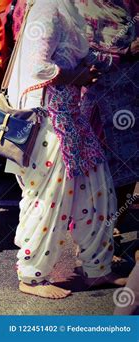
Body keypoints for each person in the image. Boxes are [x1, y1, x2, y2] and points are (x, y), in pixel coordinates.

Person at [5, 0, 127, 299]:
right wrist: (77, 76)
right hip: (49, 118)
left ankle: (96, 268)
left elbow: (82, 54)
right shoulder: (47, 8)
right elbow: (37, 67)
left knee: (98, 189)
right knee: (50, 196)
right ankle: (32, 276)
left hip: (72, 116)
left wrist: (117, 57)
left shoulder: (69, 8)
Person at [75, 0, 139, 252]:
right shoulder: (81, 7)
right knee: (96, 171)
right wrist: (126, 53)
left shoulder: (128, 5)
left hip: (130, 99)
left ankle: (112, 224)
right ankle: (92, 239)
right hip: (95, 102)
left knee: (128, 167)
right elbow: (81, 54)